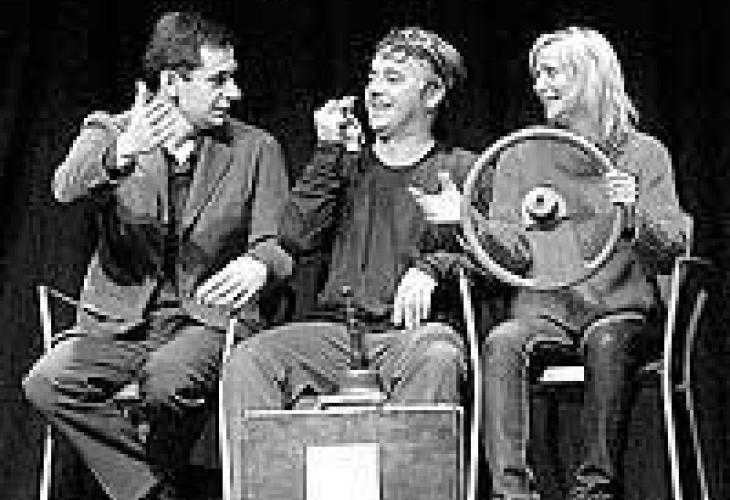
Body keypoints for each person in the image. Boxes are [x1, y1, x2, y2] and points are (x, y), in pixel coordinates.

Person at [22, 11, 292, 500]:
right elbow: (65, 188)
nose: (233, 92)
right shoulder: (111, 131)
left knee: (167, 380)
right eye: (218, 80)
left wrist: (261, 263)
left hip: (205, 322)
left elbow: (278, 243)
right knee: (47, 381)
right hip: (118, 324)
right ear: (171, 83)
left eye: (232, 78)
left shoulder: (256, 149)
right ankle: (153, 491)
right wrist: (124, 150)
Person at [415, 26, 688, 500]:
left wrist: (634, 213)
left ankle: (594, 490)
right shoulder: (522, 155)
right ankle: (512, 492)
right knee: (502, 342)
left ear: (591, 76)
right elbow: (511, 252)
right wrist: (465, 219)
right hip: (547, 311)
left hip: (618, 309)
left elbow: (672, 246)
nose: (541, 86)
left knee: (608, 341)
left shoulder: (643, 154)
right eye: (537, 75)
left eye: (553, 73)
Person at [221, 26, 491, 458]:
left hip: (414, 337)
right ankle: (265, 485)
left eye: (393, 79)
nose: (375, 90)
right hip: (338, 334)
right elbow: (294, 235)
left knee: (438, 357)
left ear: (433, 94)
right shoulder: (346, 166)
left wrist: (434, 266)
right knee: (252, 360)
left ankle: (413, 485)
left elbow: (495, 262)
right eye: (372, 78)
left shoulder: (464, 170)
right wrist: (328, 151)